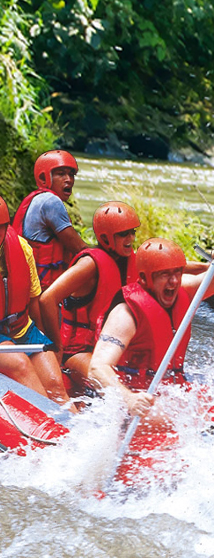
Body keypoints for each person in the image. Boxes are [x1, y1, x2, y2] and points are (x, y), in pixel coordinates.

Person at [88, 238, 214, 420]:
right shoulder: (125, 314)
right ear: (143, 278)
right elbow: (97, 368)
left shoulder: (183, 290)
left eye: (177, 272)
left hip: (170, 394)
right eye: (164, 274)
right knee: (189, 419)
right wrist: (128, 398)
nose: (173, 281)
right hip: (134, 406)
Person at [39, 202, 140, 387]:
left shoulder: (127, 260)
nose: (131, 238)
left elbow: (164, 269)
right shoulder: (90, 264)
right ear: (106, 237)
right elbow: (48, 298)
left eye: (132, 232)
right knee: (113, 389)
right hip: (76, 351)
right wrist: (57, 346)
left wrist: (206, 267)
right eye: (124, 234)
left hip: (105, 348)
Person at [0, 196, 70, 405]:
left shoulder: (22, 248)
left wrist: (46, 340)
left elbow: (33, 303)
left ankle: (81, 436)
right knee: (20, 364)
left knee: (56, 386)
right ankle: (51, 431)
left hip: (22, 328)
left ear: (5, 227)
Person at [12, 150, 88, 290]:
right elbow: (80, 249)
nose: (69, 179)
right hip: (43, 287)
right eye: (61, 174)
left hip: (29, 285)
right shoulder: (50, 201)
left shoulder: (36, 198)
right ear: (44, 178)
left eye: (71, 174)